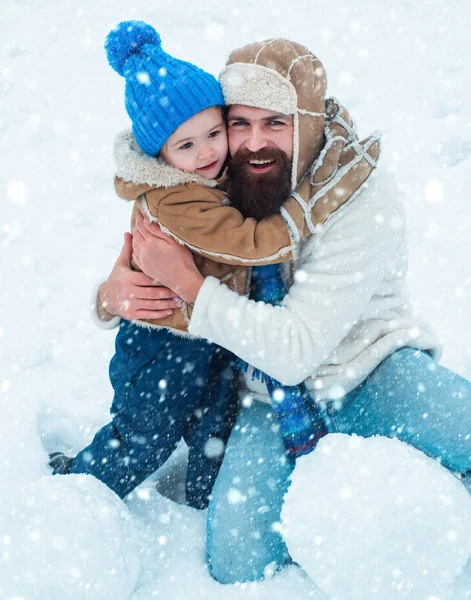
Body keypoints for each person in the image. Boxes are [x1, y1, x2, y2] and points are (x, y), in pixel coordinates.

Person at [93, 36, 471, 584]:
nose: (252, 142)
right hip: (269, 396)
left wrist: (194, 291)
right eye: (239, 123)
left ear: (308, 121)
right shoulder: (222, 178)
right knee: (237, 561)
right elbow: (152, 245)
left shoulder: (356, 194)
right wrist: (110, 294)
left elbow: (294, 348)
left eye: (276, 122)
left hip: (369, 368)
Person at [50, 22, 379, 508]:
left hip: (210, 338)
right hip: (162, 341)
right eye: (186, 145)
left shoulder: (215, 174)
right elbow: (252, 245)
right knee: (146, 435)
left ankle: (206, 494)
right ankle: (78, 490)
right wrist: (313, 203)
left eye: (214, 132)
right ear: (159, 155)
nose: (207, 151)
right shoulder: (177, 199)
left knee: (217, 425)